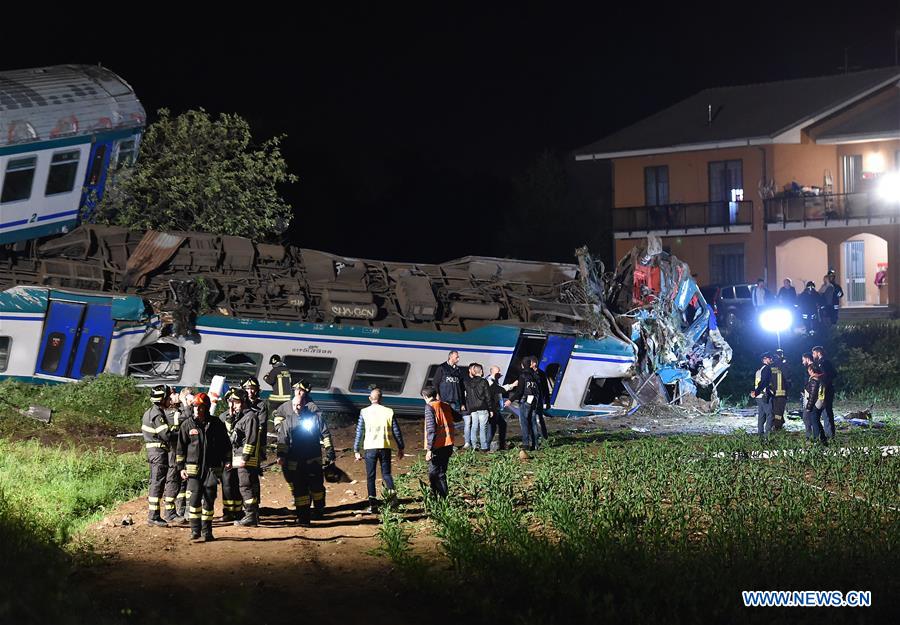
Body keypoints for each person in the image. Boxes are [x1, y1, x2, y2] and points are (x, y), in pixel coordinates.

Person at [275, 381, 335, 525]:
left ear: (305, 405)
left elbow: (325, 435)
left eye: (300, 405)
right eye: (295, 405)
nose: (297, 407)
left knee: (316, 486)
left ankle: (319, 510)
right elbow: (282, 439)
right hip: (295, 459)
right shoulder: (288, 419)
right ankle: (303, 517)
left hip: (313, 458)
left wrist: (330, 452)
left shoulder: (314, 417)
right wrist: (281, 455)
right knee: (300, 488)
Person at [176, 392, 231, 541]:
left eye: (200, 407)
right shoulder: (187, 425)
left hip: (212, 470)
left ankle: (207, 532)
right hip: (193, 471)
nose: (197, 410)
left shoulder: (217, 424)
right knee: (194, 502)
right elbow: (180, 448)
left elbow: (226, 444)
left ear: (206, 408)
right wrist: (181, 467)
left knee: (209, 501)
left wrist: (227, 460)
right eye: (195, 407)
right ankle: (195, 531)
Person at [353, 388, 405, 514]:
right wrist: (401, 447)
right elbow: (396, 431)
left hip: (370, 448)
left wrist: (356, 449)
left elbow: (359, 432)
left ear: (370, 399)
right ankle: (393, 502)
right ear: (381, 399)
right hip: (385, 447)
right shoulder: (389, 411)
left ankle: (373, 505)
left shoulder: (364, 412)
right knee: (386, 475)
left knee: (370, 477)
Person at [224, 388, 261, 527]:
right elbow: (231, 434)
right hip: (238, 456)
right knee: (245, 486)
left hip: (244, 458)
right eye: (232, 402)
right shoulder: (240, 417)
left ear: (244, 401)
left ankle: (251, 516)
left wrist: (245, 458)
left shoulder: (250, 417)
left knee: (245, 487)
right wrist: (230, 416)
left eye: (237, 402)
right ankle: (252, 515)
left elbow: (251, 440)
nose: (234, 405)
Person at [141, 384, 174, 527]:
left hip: (156, 452)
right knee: (157, 483)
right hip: (158, 453)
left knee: (156, 482)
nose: (170, 400)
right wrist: (181, 434)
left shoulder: (151, 412)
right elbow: (166, 435)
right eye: (168, 398)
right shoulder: (157, 414)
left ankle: (154, 515)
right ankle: (153, 516)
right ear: (162, 399)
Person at [421, 386, 461, 498]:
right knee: (442, 472)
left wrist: (429, 449)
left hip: (437, 445)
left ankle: (439, 498)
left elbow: (431, 429)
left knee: (434, 474)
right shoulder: (445, 405)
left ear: (425, 397)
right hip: (448, 443)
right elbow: (458, 417)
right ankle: (443, 497)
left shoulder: (430, 407)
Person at [505, 356, 548, 455]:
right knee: (532, 421)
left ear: (522, 365)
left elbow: (519, 391)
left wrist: (510, 400)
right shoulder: (536, 375)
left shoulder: (523, 375)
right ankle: (535, 444)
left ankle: (525, 443)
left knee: (524, 421)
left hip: (525, 400)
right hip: (535, 400)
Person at [162, 387, 190, 524]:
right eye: (173, 394)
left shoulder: (175, 412)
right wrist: (185, 401)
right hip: (172, 453)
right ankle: (169, 513)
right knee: (172, 481)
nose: (176, 395)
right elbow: (187, 418)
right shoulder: (169, 413)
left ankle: (179, 510)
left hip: (179, 452)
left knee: (180, 482)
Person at [241, 376, 266, 512]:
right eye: (247, 389)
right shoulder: (242, 403)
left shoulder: (261, 405)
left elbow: (261, 427)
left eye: (253, 389)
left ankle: (254, 504)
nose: (250, 391)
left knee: (252, 476)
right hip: (240, 447)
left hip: (255, 447)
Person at [485, 365, 516, 451]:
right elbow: (500, 390)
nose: (499, 374)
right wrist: (512, 385)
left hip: (496, 407)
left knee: (502, 424)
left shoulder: (495, 381)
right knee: (492, 427)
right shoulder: (489, 381)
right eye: (497, 372)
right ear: (492, 372)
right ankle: (487, 446)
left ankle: (500, 444)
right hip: (491, 407)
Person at [463, 363, 492, 451]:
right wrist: (490, 408)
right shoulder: (483, 381)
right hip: (482, 407)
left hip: (473, 408)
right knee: (483, 427)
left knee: (474, 426)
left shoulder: (468, 382)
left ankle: (474, 445)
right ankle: (484, 446)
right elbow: (488, 396)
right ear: (481, 371)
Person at [812, 346, 837, 440]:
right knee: (823, 412)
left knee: (827, 412)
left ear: (818, 353)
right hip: (823, 390)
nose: (813, 356)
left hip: (827, 390)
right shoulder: (820, 362)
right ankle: (826, 434)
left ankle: (830, 435)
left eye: (814, 353)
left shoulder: (825, 362)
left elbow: (833, 374)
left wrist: (818, 375)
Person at [750, 352, 775, 442]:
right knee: (770, 415)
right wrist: (757, 392)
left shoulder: (759, 369)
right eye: (770, 358)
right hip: (764, 395)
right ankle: (767, 437)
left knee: (761, 416)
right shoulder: (767, 368)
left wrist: (755, 392)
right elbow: (763, 382)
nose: (771, 359)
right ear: (765, 359)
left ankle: (760, 436)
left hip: (759, 397)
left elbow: (757, 382)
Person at [804, 364, 828, 445]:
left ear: (812, 370)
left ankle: (817, 440)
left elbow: (812, 396)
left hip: (815, 404)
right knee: (817, 422)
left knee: (815, 423)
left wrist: (808, 407)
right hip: (820, 403)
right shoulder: (820, 379)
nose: (808, 371)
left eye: (809, 369)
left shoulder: (814, 381)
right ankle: (823, 439)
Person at [263, 355, 293, 420]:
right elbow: (291, 382)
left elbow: (270, 381)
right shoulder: (287, 370)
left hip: (277, 398)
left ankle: (272, 423)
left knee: (270, 413)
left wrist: (265, 377)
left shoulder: (274, 370)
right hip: (288, 398)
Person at [770, 349, 789, 431]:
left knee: (775, 410)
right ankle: (778, 426)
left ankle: (777, 424)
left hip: (773, 393)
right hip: (782, 393)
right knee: (779, 411)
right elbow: (788, 377)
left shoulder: (772, 366)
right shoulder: (784, 365)